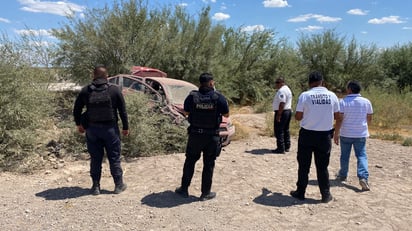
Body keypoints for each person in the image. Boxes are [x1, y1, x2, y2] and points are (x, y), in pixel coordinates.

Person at [73, 65, 129, 195]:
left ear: (93, 76)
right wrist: (125, 127)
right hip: (111, 130)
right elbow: (122, 111)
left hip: (92, 130)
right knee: (114, 157)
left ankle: (96, 187)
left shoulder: (85, 91)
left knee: (95, 158)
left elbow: (76, 110)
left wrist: (79, 124)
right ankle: (118, 185)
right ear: (106, 76)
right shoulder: (114, 90)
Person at [175, 72, 229, 201]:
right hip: (211, 136)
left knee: (190, 162)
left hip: (195, 135)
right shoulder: (218, 97)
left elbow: (186, 112)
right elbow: (226, 114)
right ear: (211, 83)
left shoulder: (192, 97)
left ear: (200, 83)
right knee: (209, 164)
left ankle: (184, 189)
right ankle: (205, 193)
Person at [290, 71, 341, 203]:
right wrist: (336, 132)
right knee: (322, 166)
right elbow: (338, 116)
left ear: (309, 82)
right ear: (322, 82)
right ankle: (325, 194)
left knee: (304, 165)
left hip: (307, 134)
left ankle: (300, 192)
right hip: (324, 135)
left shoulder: (305, 95)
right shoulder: (332, 96)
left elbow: (298, 117)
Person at [333, 81, 373, 191]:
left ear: (350, 89)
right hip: (360, 133)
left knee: (345, 155)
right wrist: (365, 127)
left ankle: (343, 174)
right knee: (361, 155)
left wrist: (336, 133)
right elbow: (369, 117)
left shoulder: (343, 102)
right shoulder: (366, 102)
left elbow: (339, 119)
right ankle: (363, 177)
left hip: (346, 133)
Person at [272, 78, 293, 154]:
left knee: (279, 130)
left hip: (283, 112)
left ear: (282, 82)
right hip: (288, 111)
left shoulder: (282, 91)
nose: (276, 84)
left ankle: (280, 148)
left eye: (278, 82)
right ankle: (287, 146)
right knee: (285, 129)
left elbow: (282, 103)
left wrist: (279, 114)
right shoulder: (287, 89)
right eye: (276, 82)